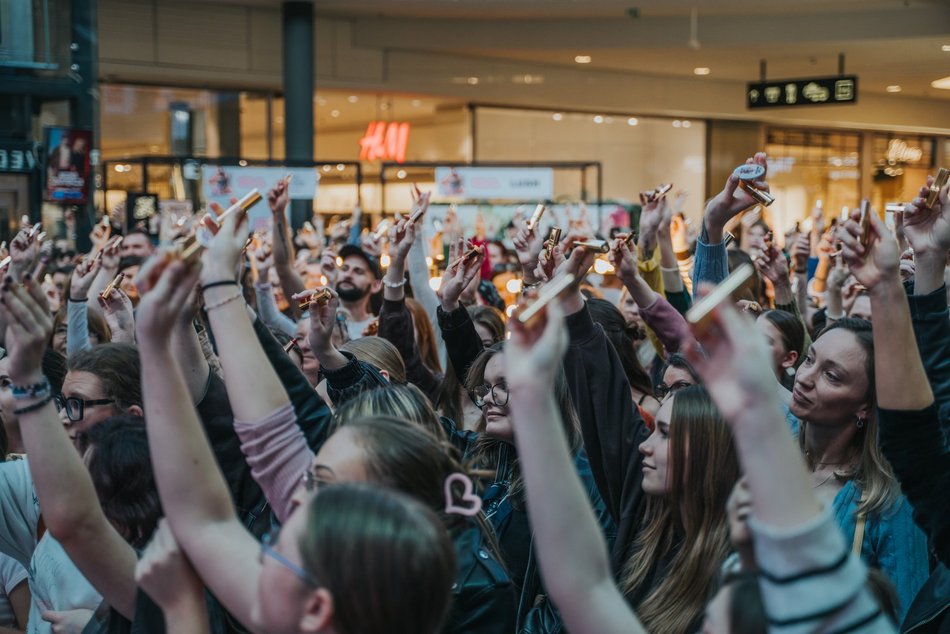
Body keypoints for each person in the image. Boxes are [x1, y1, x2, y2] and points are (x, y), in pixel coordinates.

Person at [133, 216, 462, 634]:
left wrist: (183, 612)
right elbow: (212, 511)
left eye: (320, 486)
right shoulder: (320, 577)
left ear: (316, 610)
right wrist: (168, 326)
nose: (295, 497)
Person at [503, 290, 895, 634]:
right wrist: (529, 393)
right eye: (808, 361)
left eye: (667, 434)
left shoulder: (874, 506)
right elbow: (586, 589)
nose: (806, 378)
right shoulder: (663, 525)